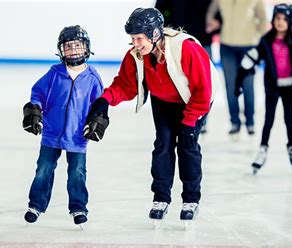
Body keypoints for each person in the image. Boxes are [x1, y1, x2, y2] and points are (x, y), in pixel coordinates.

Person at [84, 8, 219, 223]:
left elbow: (203, 90)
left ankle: (191, 199)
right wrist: (104, 100)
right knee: (163, 145)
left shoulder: (186, 48)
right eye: (132, 39)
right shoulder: (136, 55)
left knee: (187, 145)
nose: (135, 43)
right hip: (163, 102)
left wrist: (190, 121)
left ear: (155, 34)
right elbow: (125, 86)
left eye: (139, 38)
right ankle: (161, 198)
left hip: (193, 101)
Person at [22, 25, 104, 226]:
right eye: (68, 46)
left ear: (86, 48)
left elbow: (100, 104)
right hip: (51, 132)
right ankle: (36, 205)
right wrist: (34, 110)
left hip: (77, 136)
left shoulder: (93, 78)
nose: (73, 50)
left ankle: (78, 208)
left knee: (77, 172)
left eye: (77, 45)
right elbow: (38, 94)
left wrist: (98, 120)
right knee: (43, 168)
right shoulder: (54, 73)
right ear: (61, 50)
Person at [234, 4, 292, 175]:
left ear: (290, 21)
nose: (280, 22)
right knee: (269, 120)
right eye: (277, 18)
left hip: (288, 85)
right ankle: (262, 149)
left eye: (284, 19)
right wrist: (241, 75)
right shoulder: (266, 40)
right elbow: (254, 56)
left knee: (289, 120)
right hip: (272, 87)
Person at [155, 0, 221, 134]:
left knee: (205, 83)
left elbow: (217, 8)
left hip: (202, 40)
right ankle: (181, 118)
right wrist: (167, 28)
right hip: (176, 43)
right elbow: (160, 11)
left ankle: (200, 120)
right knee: (176, 82)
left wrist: (217, 22)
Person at [206, 0, 268, 135]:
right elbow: (211, 11)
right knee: (230, 86)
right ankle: (234, 121)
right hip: (227, 46)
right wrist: (211, 21)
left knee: (247, 85)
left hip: (249, 46)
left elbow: (263, 19)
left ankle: (250, 121)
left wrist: (261, 41)